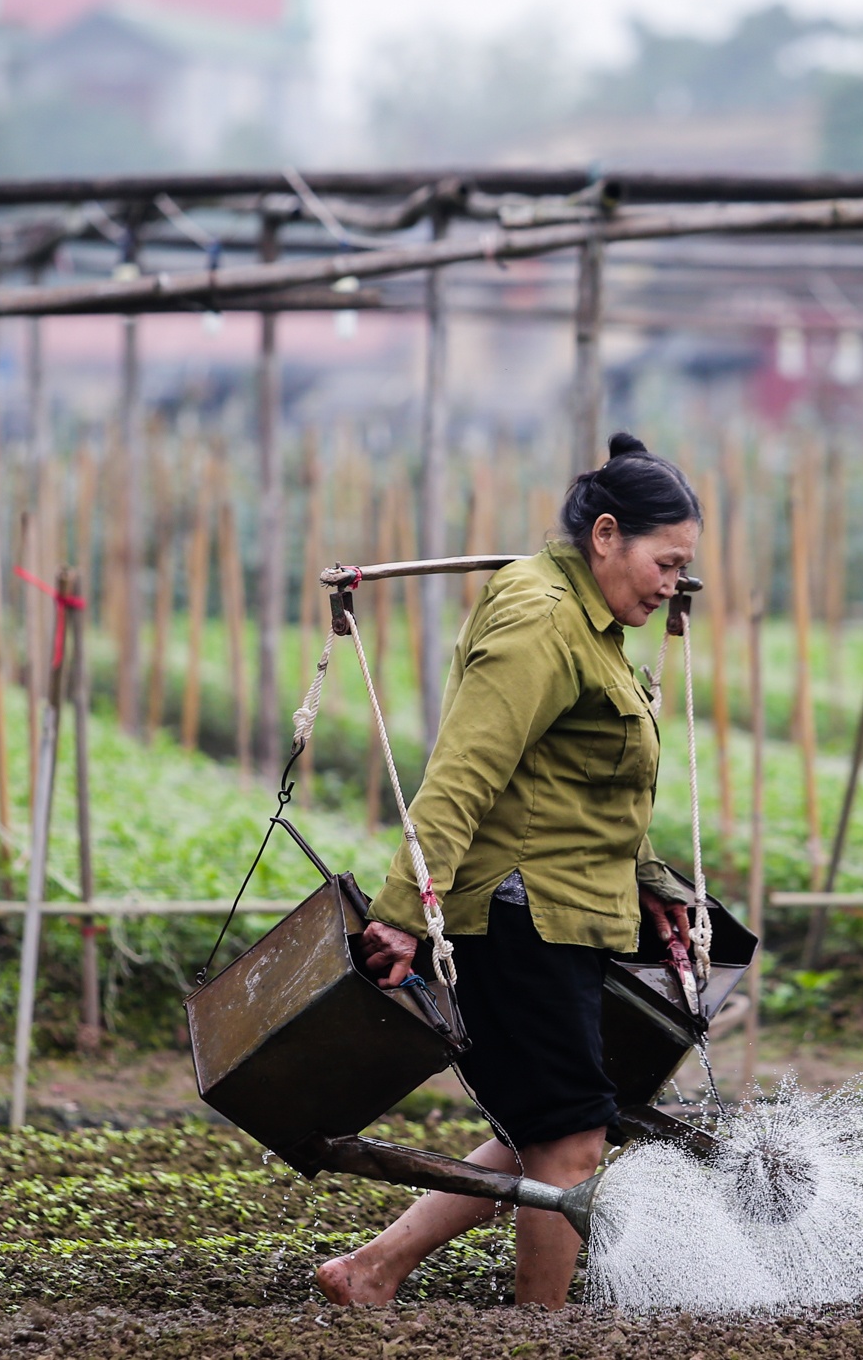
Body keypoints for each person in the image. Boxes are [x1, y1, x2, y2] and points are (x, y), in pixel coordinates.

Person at [315, 431, 703, 1310]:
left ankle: (372, 1270)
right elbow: (465, 772)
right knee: (567, 1135)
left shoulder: (596, 625)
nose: (673, 584)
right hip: (521, 915)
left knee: (559, 1120)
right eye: (665, 561)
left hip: (572, 910)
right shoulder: (540, 619)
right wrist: (403, 912)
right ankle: (542, 1329)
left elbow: (586, 780)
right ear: (606, 534)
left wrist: (650, 878)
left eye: (682, 567)